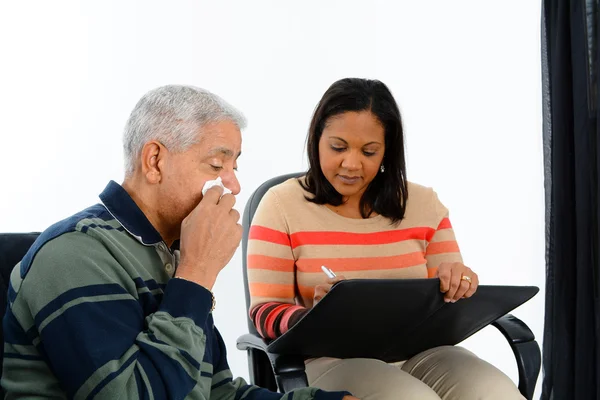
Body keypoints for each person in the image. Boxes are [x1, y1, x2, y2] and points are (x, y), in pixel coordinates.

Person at [2, 85, 358, 400]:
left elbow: (215, 392)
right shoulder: (74, 255)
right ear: (154, 161)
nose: (233, 186)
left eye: (235, 166)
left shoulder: (166, 255)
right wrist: (196, 274)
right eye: (217, 165)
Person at [247, 78, 525, 400]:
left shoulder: (423, 204)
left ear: (387, 151)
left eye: (369, 151)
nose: (352, 164)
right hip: (331, 359)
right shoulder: (281, 205)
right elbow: (264, 311)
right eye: (338, 147)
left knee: (496, 392)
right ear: (317, 140)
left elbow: (450, 290)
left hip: (424, 352)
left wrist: (460, 282)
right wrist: (316, 318)